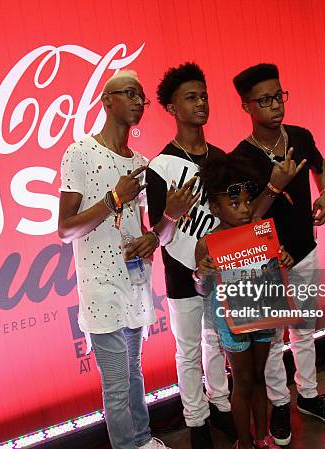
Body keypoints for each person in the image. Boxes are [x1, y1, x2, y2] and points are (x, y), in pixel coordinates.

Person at [230, 63, 325, 445]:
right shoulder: (240, 158)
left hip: (304, 248)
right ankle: (280, 402)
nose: (275, 106)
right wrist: (273, 185)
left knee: (303, 328)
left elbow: (320, 165)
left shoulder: (299, 135)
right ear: (247, 107)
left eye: (279, 96)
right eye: (264, 100)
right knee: (271, 337)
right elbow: (246, 218)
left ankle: (309, 395)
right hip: (262, 259)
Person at [58, 70, 169, 449]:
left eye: (142, 96)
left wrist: (149, 240)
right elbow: (66, 229)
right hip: (100, 286)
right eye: (130, 94)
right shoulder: (80, 152)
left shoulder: (140, 160)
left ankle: (143, 440)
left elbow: (143, 227)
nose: (139, 101)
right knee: (118, 385)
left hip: (134, 282)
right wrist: (113, 200)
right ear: (107, 102)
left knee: (135, 373)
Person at [146, 62, 235, 449]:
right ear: (171, 107)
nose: (201, 103)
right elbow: (159, 235)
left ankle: (222, 406)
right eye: (191, 97)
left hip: (220, 271)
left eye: (204, 96)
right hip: (181, 273)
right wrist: (172, 212)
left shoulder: (223, 159)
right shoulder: (160, 166)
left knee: (217, 342)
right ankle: (196, 421)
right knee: (187, 350)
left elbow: (236, 220)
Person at [193, 151, 302, 449]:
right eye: (234, 203)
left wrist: (283, 260)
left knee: (259, 377)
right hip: (232, 323)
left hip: (264, 313)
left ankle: (262, 437)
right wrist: (200, 274)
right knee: (241, 382)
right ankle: (244, 442)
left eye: (246, 201)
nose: (244, 209)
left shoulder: (261, 232)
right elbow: (202, 291)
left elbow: (273, 272)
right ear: (215, 207)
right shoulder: (207, 243)